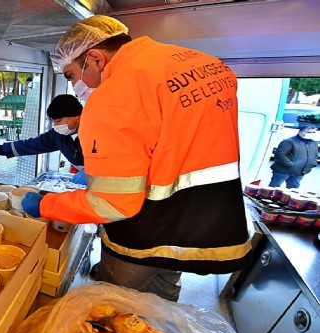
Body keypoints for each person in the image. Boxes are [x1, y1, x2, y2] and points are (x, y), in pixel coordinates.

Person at [21, 15, 251, 301]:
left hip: (145, 233)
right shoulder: (206, 64)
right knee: (161, 301)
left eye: (70, 75)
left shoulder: (113, 95)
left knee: (115, 310)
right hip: (200, 226)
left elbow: (111, 203)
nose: (75, 85)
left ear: (94, 59)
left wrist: (47, 204)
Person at [0, 94, 86, 184]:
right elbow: (29, 145)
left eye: (58, 121)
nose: (55, 126)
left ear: (77, 116)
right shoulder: (58, 136)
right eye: (53, 121)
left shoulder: (97, 131)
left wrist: (91, 173)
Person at [269, 124, 318, 188]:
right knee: (274, 188)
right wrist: (291, 164)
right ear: (301, 132)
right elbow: (280, 154)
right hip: (283, 170)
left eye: (313, 132)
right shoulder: (289, 141)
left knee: (293, 190)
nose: (312, 134)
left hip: (299, 172)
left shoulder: (313, 143)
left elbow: (315, 155)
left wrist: (312, 164)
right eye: (309, 132)